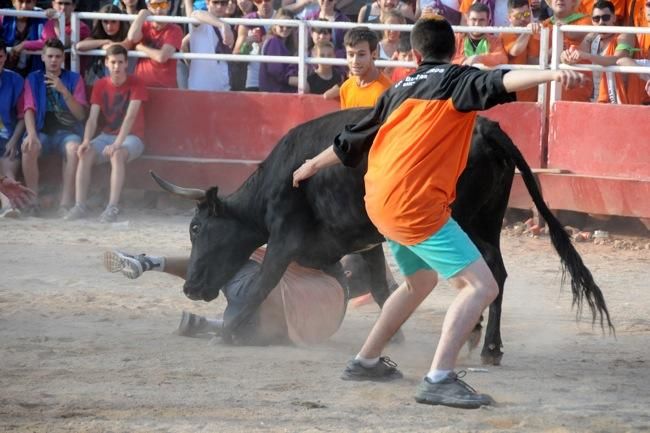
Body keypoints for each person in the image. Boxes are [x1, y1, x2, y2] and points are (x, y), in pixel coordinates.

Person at [292, 16, 585, 409]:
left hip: (379, 204)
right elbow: (501, 79)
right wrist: (553, 72)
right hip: (415, 207)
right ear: (453, 51)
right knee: (483, 286)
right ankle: (439, 377)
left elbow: (349, 141)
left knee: (419, 282)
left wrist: (310, 165)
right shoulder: (456, 80)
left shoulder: (396, 89)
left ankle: (365, 360)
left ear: (415, 54)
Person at [103, 248, 352, 346]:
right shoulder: (335, 297)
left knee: (229, 255)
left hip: (257, 296)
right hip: (280, 330)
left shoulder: (323, 278)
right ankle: (219, 327)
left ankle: (151, 262)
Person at [64, 44, 147, 223]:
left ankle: (112, 207)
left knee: (116, 155)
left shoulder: (137, 83)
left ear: (126, 64)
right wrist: (86, 140)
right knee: (84, 153)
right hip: (106, 135)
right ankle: (80, 205)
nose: (116, 66)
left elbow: (130, 117)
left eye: (120, 62)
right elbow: (92, 119)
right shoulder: (101, 84)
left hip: (132, 137)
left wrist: (118, 143)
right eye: (113, 62)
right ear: (106, 63)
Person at [21, 38, 87, 215]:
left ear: (63, 58)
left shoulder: (74, 79)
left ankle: (65, 203)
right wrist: (32, 134)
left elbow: (80, 115)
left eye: (57, 56)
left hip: (67, 133)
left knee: (74, 148)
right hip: (41, 130)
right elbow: (28, 109)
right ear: (42, 57)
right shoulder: (33, 78)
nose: (53, 60)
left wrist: (64, 90)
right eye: (50, 56)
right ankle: (32, 201)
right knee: (28, 146)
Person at [561, 0, 638, 103]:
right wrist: (565, 56)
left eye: (606, 17)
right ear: (592, 21)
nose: (601, 22)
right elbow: (576, 55)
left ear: (614, 18)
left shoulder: (625, 35)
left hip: (623, 100)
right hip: (599, 99)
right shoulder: (591, 37)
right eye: (596, 19)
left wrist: (587, 56)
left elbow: (617, 60)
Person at [541, 0, 593, 102]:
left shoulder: (586, 20)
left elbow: (575, 34)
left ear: (574, 2)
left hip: (577, 90)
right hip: (547, 92)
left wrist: (562, 27)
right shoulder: (544, 25)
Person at [127, 0, 184, 88]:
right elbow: (132, 37)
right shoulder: (144, 25)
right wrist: (142, 15)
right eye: (154, 5)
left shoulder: (175, 30)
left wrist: (140, 47)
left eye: (162, 4)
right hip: (140, 87)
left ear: (168, 6)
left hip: (166, 89)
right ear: (149, 6)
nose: (158, 9)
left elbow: (161, 57)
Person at [182, 0, 235, 91]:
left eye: (223, 3)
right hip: (200, 88)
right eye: (215, 2)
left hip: (224, 87)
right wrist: (223, 25)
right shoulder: (202, 23)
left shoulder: (228, 25)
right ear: (207, 3)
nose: (219, 6)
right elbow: (196, 14)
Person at [0, 40, 26, 217]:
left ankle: (12, 206)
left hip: (8, 136)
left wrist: (14, 140)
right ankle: (7, 203)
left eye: (0, 56)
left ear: (5, 57)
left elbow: (23, 116)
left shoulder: (15, 79)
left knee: (8, 168)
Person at [76, 5, 133, 85]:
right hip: (100, 82)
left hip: (125, 80)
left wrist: (106, 46)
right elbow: (79, 46)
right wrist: (105, 41)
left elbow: (124, 46)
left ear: (120, 21)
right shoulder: (98, 36)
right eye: (105, 22)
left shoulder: (127, 35)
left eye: (113, 21)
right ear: (100, 22)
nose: (109, 26)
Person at [338, 26, 393, 108]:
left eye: (361, 54)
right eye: (351, 54)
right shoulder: (345, 88)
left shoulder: (387, 91)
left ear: (374, 54)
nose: (355, 61)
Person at [501, 0, 541, 102]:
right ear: (509, 17)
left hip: (531, 94)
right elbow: (515, 51)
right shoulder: (505, 33)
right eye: (518, 16)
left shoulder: (534, 32)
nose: (523, 19)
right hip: (510, 94)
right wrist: (527, 32)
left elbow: (533, 61)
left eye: (527, 14)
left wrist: (552, 52)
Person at [232, 0, 276, 91]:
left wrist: (273, 42)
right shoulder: (247, 21)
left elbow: (294, 49)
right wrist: (247, 44)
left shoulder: (282, 19)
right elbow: (236, 57)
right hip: (254, 81)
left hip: (278, 79)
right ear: (254, 2)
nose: (264, 3)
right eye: (259, 0)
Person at [20, 0, 91, 54]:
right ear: (53, 4)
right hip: (47, 70)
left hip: (71, 72)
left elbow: (64, 44)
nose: (63, 8)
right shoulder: (49, 22)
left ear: (74, 6)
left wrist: (25, 44)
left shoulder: (82, 27)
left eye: (67, 4)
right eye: (60, 3)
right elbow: (46, 43)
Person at [452, 2, 507, 67]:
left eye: (481, 20)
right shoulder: (457, 38)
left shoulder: (495, 40)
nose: (477, 24)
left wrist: (479, 58)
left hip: (485, 76)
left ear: (488, 22)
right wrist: (466, 60)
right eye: (473, 19)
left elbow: (502, 58)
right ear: (467, 20)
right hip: (462, 76)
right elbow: (448, 57)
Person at [1, 0, 47, 76]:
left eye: (28, 2)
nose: (24, 6)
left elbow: (48, 42)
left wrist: (24, 45)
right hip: (6, 73)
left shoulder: (42, 16)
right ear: (13, 2)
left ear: (34, 3)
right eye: (20, 1)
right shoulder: (3, 15)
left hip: (35, 72)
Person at [260, 8, 299, 92]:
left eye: (289, 26)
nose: (285, 28)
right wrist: (295, 81)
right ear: (275, 25)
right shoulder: (274, 41)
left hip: (280, 92)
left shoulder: (285, 44)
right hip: (274, 94)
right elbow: (275, 70)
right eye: (281, 25)